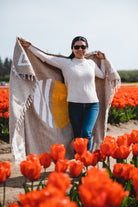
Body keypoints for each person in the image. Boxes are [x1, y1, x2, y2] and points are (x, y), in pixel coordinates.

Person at [19, 36, 106, 151]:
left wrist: (103, 60)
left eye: (83, 47)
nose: (80, 49)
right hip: (74, 105)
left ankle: (86, 160)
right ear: (72, 49)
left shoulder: (90, 63)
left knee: (86, 132)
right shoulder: (65, 63)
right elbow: (45, 58)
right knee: (77, 135)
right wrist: (30, 47)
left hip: (92, 105)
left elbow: (102, 75)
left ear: (87, 48)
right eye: (77, 47)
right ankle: (78, 162)